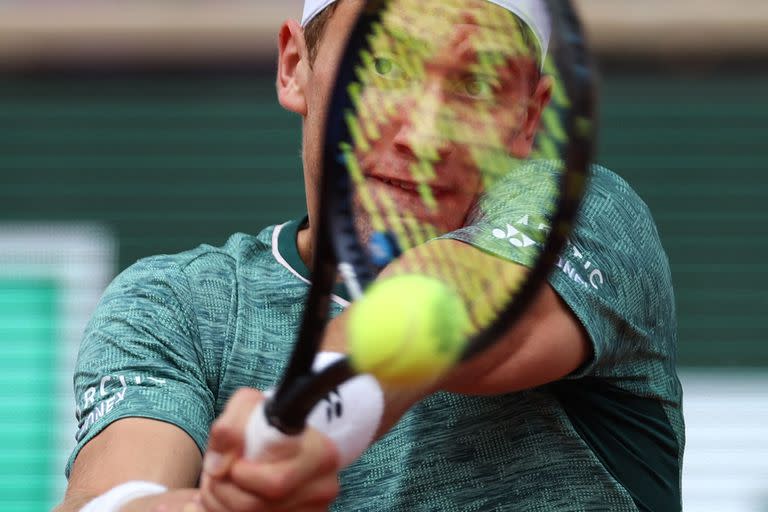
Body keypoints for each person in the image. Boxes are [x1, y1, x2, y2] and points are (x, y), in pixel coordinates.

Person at [55, 1, 684, 511]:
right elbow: (110, 497)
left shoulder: (582, 212)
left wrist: (297, 423)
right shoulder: (171, 306)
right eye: (384, 67)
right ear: (295, 67)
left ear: (528, 118)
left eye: (478, 84)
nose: (424, 135)